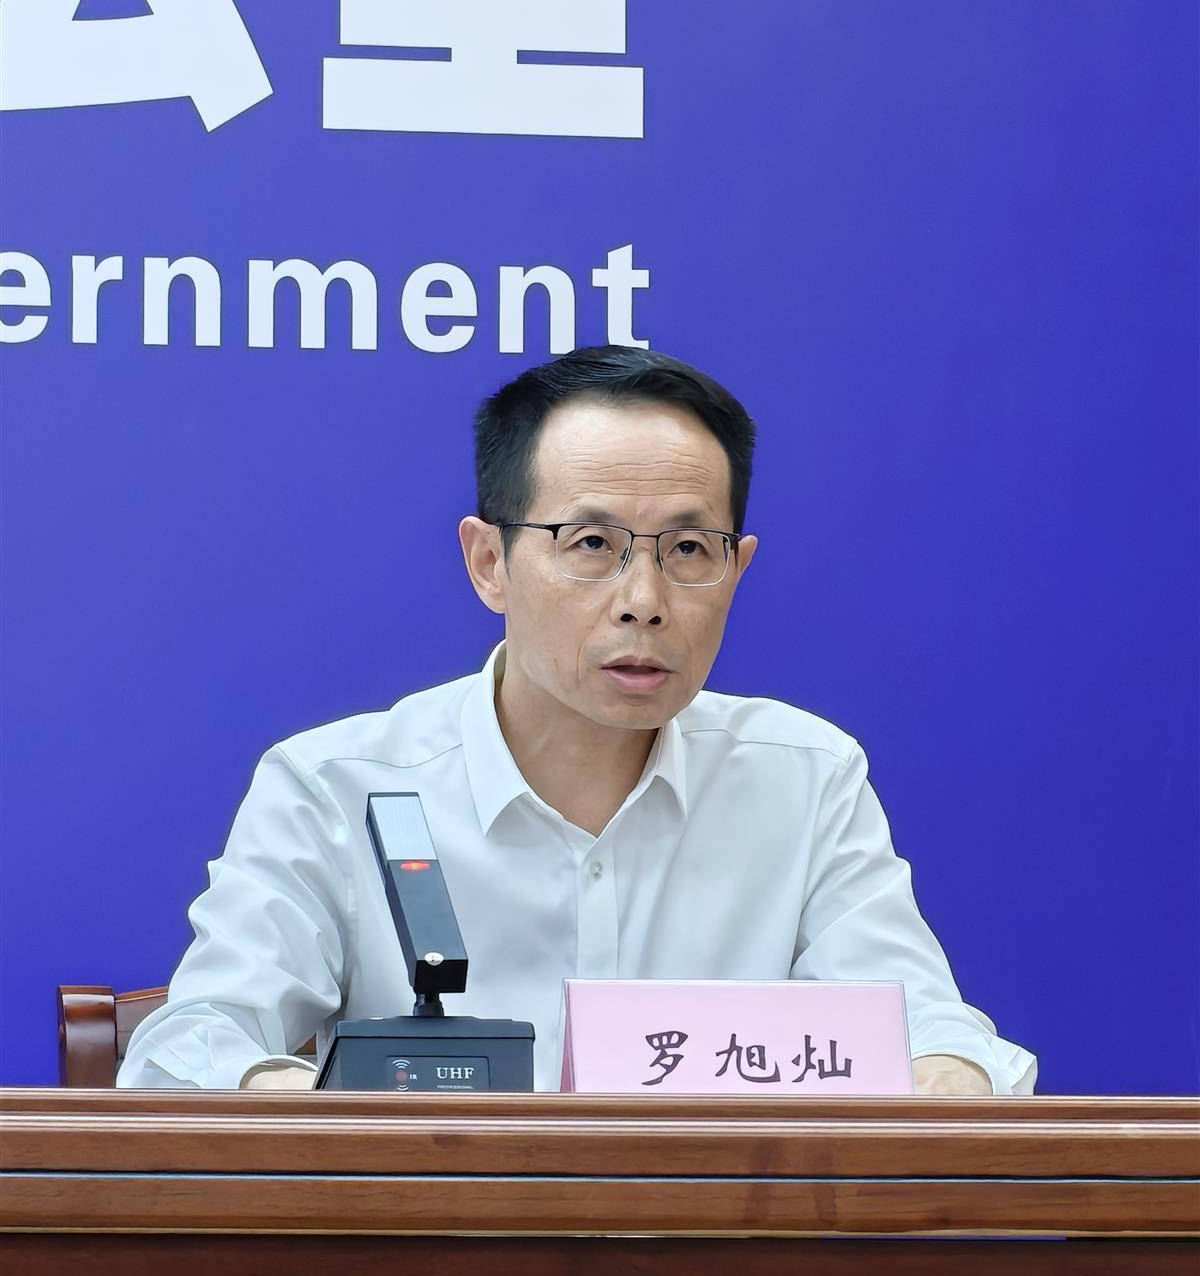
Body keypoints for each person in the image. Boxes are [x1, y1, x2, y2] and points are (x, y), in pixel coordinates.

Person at [118, 346, 1035, 1095]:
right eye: (591, 543)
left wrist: (947, 1076)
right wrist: (332, 1107)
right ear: (488, 563)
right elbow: (191, 1045)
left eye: (689, 548)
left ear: (739, 569)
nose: (644, 600)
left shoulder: (805, 777)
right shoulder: (334, 787)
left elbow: (928, 1029)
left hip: (719, 1257)